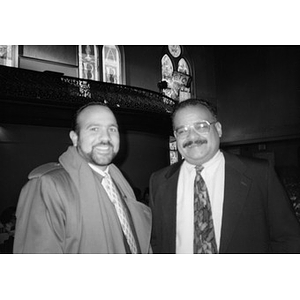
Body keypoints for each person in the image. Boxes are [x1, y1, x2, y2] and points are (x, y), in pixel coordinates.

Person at [149, 98, 300, 253]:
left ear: (219, 129)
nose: (192, 137)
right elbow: (155, 242)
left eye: (201, 126)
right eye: (182, 130)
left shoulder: (259, 174)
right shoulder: (159, 181)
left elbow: (288, 238)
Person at [14, 102, 152, 253]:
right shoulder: (47, 186)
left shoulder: (119, 184)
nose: (105, 138)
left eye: (112, 129)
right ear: (75, 138)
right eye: (94, 129)